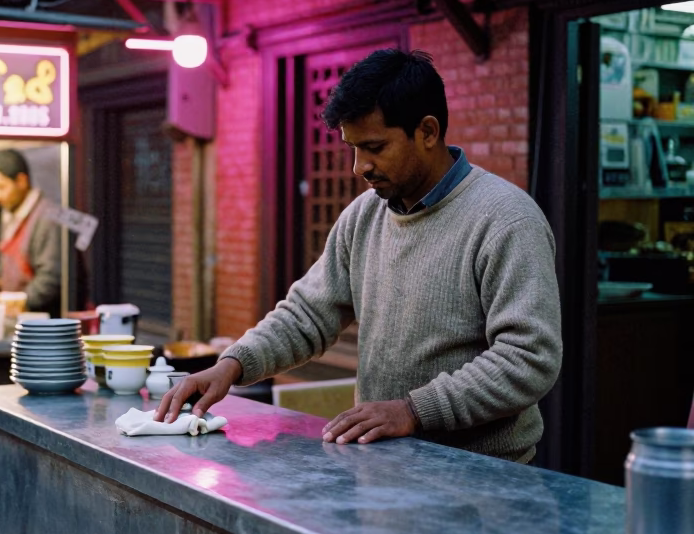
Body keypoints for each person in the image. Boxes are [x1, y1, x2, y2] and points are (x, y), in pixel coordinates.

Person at [156, 49, 563, 463]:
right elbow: (308, 315)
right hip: (382, 464)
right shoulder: (364, 215)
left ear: (426, 131)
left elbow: (528, 357)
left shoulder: (506, 219)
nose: (358, 167)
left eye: (374, 146)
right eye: (352, 147)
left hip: (486, 480)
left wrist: (414, 410)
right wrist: (232, 366)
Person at [0, 150, 63, 316]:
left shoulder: (48, 218)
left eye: (1, 187)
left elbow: (50, 279)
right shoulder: (11, 214)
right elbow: (8, 260)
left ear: (21, 181)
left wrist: (11, 301)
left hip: (42, 323)